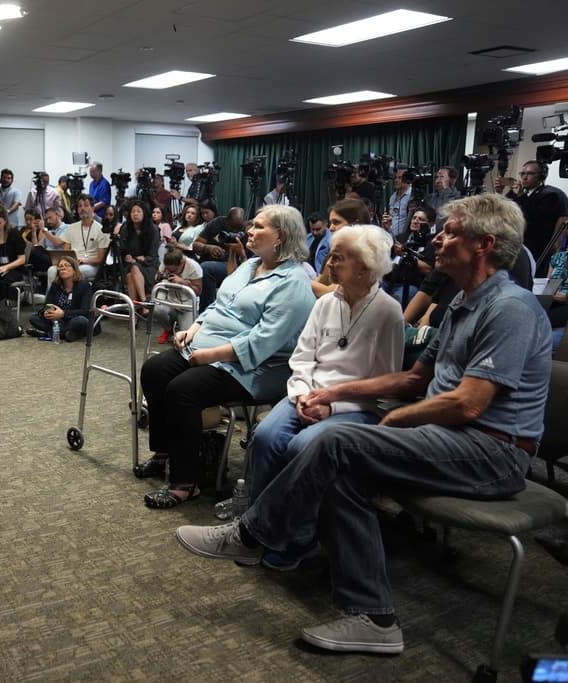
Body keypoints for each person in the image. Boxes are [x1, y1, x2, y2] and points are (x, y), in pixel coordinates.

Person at [175, 193, 552, 656]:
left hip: (493, 452)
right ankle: (374, 618)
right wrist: (334, 393)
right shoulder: (464, 302)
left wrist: (392, 419)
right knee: (341, 470)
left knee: (337, 443)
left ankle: (254, 533)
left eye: (451, 231)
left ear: (484, 244)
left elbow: (469, 404)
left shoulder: (509, 308)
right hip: (451, 439)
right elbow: (414, 377)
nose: (437, 237)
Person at [213, 226, 403, 570]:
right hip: (307, 393)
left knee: (303, 448)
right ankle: (258, 533)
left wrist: (333, 405)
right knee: (266, 437)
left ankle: (298, 538)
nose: (329, 262)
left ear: (365, 267)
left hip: (355, 408)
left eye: (339, 257)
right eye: (331, 253)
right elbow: (301, 358)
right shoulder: (326, 303)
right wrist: (302, 396)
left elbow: (383, 384)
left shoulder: (388, 312)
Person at [137, 205, 316, 506]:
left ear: (280, 236)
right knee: (154, 371)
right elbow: (220, 305)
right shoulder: (250, 266)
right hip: (210, 347)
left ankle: (186, 481)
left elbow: (262, 342)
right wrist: (193, 327)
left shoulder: (294, 284)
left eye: (259, 227)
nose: (250, 230)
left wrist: (209, 355)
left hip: (256, 367)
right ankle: (165, 453)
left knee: (183, 390)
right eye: (252, 225)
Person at [504, 160, 568, 273]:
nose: (524, 177)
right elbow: (504, 210)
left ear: (541, 176)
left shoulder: (551, 195)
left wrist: (521, 196)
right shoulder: (522, 193)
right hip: (516, 247)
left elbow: (532, 220)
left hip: (537, 250)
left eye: (529, 174)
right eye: (522, 174)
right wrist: (500, 192)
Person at [311, 198, 372, 299]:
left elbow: (332, 292)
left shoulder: (363, 257)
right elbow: (321, 280)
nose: (331, 228)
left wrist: (300, 280)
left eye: (336, 222)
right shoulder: (334, 250)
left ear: (355, 224)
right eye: (330, 223)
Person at [27, 255, 95, 342]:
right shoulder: (56, 285)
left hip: (73, 318)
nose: (63, 268)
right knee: (33, 318)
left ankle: (48, 333)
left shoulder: (84, 286)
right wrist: (47, 312)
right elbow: (47, 305)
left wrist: (63, 313)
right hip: (58, 320)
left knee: (81, 321)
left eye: (67, 265)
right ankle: (69, 333)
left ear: (74, 269)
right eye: (60, 266)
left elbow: (85, 311)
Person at [193, 205, 247, 310]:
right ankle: (206, 308)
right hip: (210, 260)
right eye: (232, 227)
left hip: (234, 265)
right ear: (227, 220)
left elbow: (248, 260)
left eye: (238, 228)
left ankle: (207, 310)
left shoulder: (247, 230)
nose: (234, 230)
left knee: (207, 268)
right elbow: (196, 244)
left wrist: (240, 252)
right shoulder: (217, 223)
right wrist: (208, 248)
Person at [50, 195, 109, 285]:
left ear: (93, 208)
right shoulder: (71, 228)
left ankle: (71, 297)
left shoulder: (101, 229)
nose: (82, 208)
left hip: (90, 265)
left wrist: (85, 261)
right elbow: (66, 252)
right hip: (72, 263)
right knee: (52, 270)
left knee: (76, 271)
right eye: (80, 206)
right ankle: (52, 298)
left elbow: (101, 259)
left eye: (86, 205)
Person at [382, 206, 436, 306]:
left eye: (421, 219)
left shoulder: (431, 243)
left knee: (394, 305)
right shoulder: (402, 237)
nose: (415, 221)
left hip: (410, 284)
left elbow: (428, 269)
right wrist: (387, 230)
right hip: (387, 280)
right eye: (414, 218)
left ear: (430, 224)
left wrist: (406, 254)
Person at [152, 246, 203, 344]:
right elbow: (157, 276)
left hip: (186, 303)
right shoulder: (166, 262)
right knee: (157, 309)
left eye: (173, 271)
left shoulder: (194, 267)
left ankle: (179, 325)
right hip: (169, 297)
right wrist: (161, 276)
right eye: (169, 270)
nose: (171, 272)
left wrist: (183, 282)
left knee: (187, 338)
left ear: (182, 263)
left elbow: (198, 291)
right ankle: (168, 329)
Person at [114, 199, 160, 305]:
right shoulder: (125, 228)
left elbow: (153, 253)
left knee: (133, 271)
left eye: (138, 211)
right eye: (133, 212)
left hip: (149, 264)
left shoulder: (153, 229)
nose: (135, 214)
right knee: (131, 272)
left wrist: (144, 259)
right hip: (130, 263)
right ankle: (138, 307)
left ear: (144, 213)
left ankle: (140, 304)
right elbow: (122, 249)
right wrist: (127, 255)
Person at [383, 170, 412, 239]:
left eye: (400, 178)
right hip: (390, 237)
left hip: (404, 239)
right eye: (395, 177)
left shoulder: (412, 196)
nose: (396, 180)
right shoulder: (392, 196)